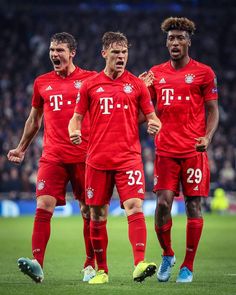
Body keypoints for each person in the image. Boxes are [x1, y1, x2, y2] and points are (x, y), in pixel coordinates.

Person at [68, 31, 162, 284]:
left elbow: (151, 116)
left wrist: (155, 123)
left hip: (128, 158)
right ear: (104, 53)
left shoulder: (137, 85)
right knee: (97, 215)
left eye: (124, 53)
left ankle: (139, 263)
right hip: (96, 159)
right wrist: (74, 131)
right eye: (116, 53)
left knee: (135, 206)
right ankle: (102, 271)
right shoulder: (90, 85)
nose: (121, 57)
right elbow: (76, 118)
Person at [7, 32, 97, 283]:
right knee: (43, 205)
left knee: (88, 210)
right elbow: (34, 120)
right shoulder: (42, 83)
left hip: (85, 155)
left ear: (72, 53)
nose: (54, 54)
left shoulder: (90, 79)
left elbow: (113, 90)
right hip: (53, 156)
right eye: (52, 50)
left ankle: (90, 264)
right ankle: (37, 263)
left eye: (59, 50)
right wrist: (21, 148)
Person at [148, 17, 219, 283]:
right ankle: (168, 253)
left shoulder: (204, 72)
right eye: (171, 38)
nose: (175, 42)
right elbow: (143, 111)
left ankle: (188, 265)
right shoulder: (155, 74)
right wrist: (143, 98)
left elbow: (213, 111)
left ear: (188, 41)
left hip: (193, 150)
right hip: (165, 150)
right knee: (163, 203)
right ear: (166, 43)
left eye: (179, 38)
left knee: (193, 205)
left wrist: (207, 136)